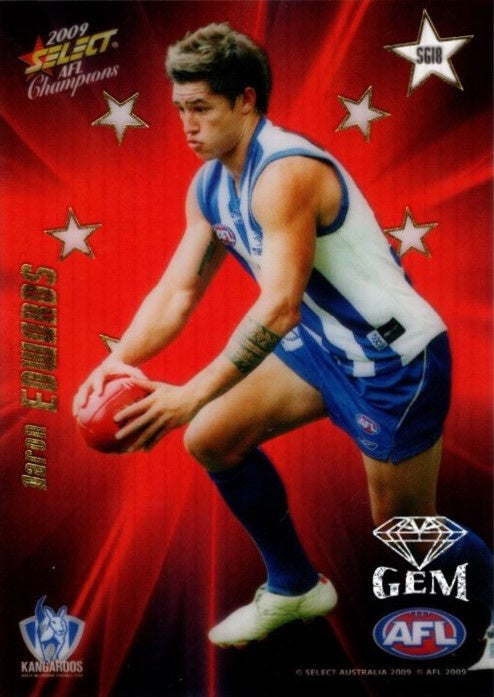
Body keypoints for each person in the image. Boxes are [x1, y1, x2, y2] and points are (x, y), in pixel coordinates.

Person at [73, 23, 491, 649]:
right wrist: (115, 361)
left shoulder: (286, 172)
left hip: (390, 361)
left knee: (404, 532)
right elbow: (178, 291)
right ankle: (295, 587)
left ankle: (489, 621)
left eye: (201, 108)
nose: (186, 125)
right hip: (321, 348)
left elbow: (277, 310)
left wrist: (190, 394)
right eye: (180, 109)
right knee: (213, 439)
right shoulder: (210, 184)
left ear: (246, 100)